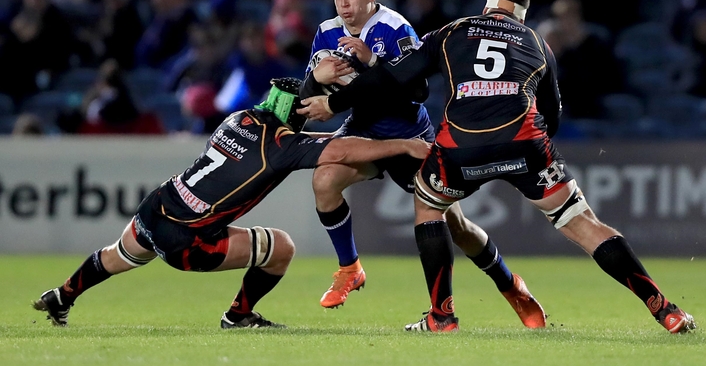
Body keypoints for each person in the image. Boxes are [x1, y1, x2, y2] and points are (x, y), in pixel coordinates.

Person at [300, 0, 697, 334]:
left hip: (460, 144)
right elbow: (552, 115)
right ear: (522, 17)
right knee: (583, 223)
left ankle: (442, 316)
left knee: (428, 206)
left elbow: (396, 78)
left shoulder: (455, 29)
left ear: (487, 6)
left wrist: (335, 101)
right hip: (525, 143)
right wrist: (529, 147)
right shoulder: (538, 44)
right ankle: (665, 309)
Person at [32, 78, 430, 329]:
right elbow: (342, 151)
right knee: (281, 249)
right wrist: (407, 144)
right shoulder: (283, 147)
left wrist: (311, 84)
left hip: (158, 205)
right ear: (295, 117)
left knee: (119, 254)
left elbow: (284, 114)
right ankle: (238, 316)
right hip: (189, 240)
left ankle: (63, 295)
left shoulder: (238, 119)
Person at [300, 0, 545, 330]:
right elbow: (309, 95)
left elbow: (419, 90)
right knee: (325, 181)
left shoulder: (394, 28)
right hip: (364, 130)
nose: (344, 4)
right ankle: (349, 268)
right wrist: (315, 79)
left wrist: (372, 61)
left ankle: (510, 284)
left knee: (457, 227)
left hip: (408, 136)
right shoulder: (326, 32)